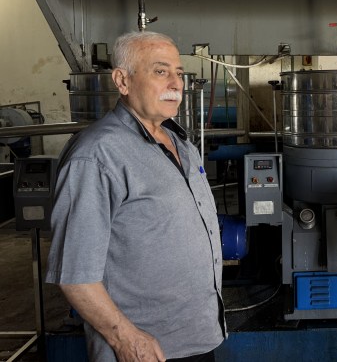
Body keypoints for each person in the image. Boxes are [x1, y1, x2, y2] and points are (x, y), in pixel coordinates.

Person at [46, 31, 226, 361]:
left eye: (179, 73)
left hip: (197, 337)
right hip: (144, 348)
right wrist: (125, 338)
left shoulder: (182, 144)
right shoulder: (97, 155)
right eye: (160, 71)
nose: (176, 83)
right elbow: (74, 273)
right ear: (122, 81)